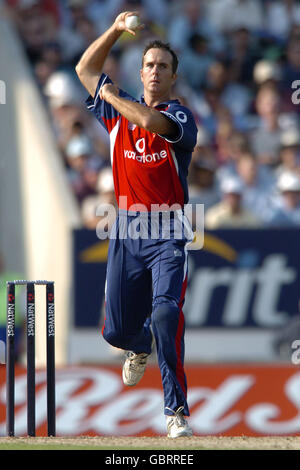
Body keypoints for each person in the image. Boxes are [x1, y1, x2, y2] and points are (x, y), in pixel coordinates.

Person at [75, 11, 197, 438]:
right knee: (116, 332)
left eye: (163, 66)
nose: (155, 71)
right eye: (149, 65)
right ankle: (136, 343)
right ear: (140, 71)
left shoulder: (181, 119)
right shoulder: (115, 114)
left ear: (172, 78)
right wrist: (113, 29)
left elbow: (147, 121)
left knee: (166, 313)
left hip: (167, 231)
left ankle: (175, 412)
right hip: (125, 229)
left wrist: (107, 95)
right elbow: (84, 69)